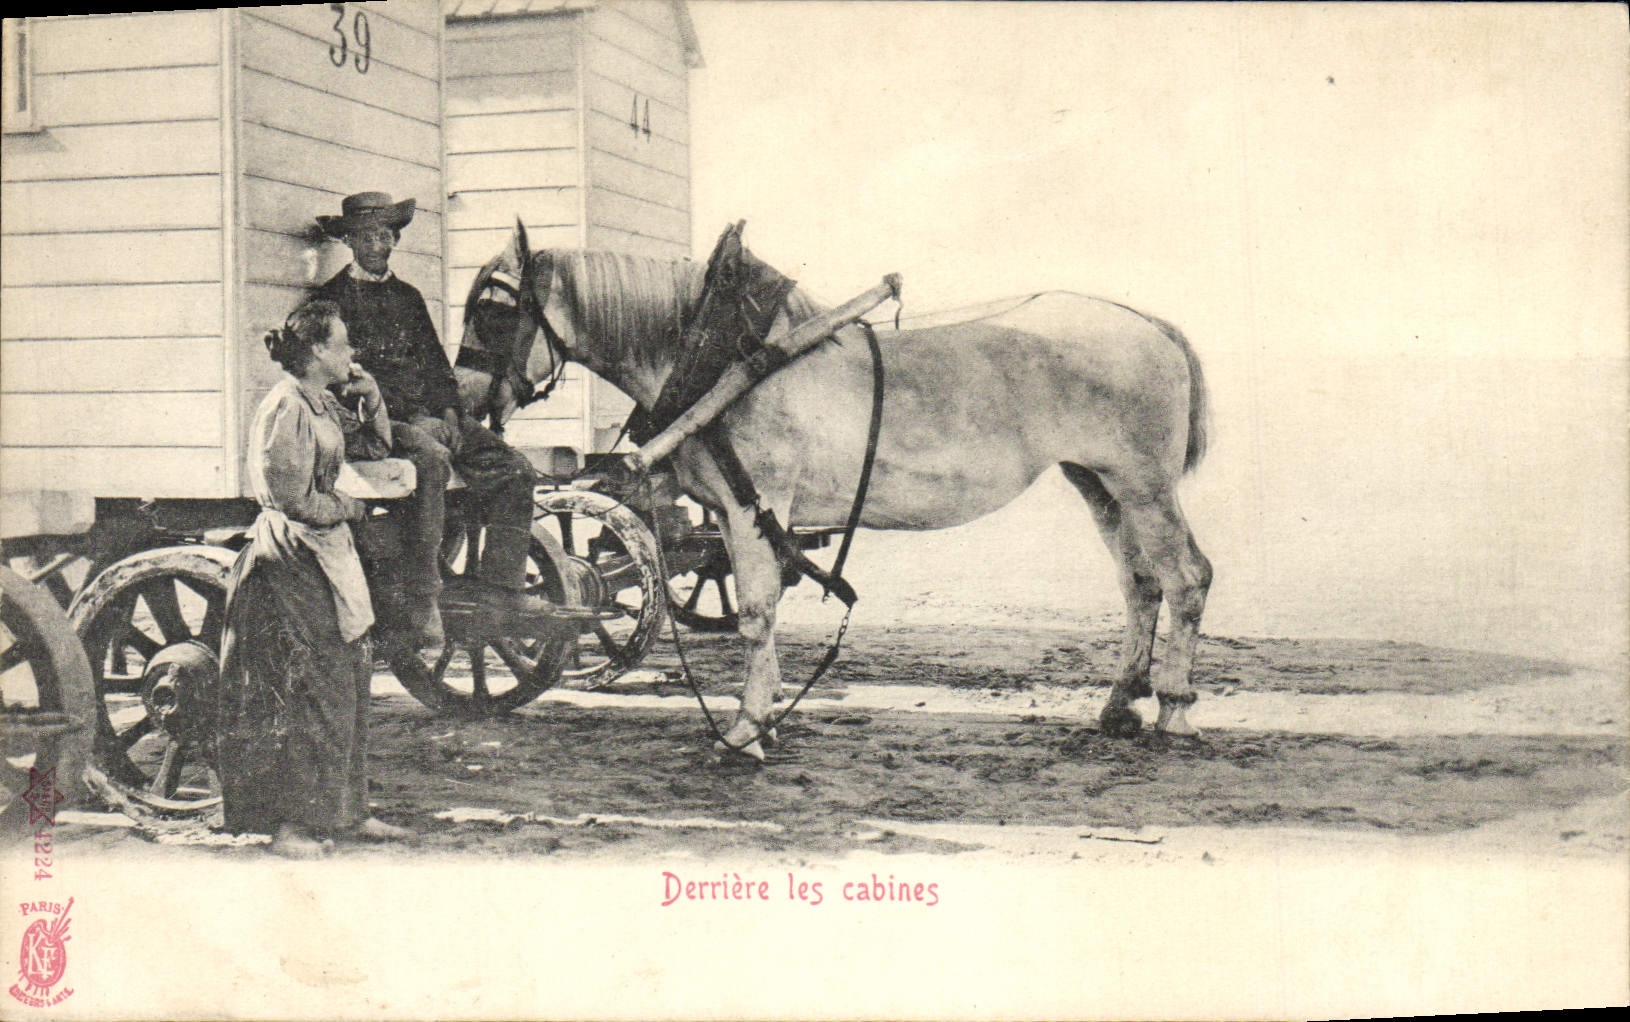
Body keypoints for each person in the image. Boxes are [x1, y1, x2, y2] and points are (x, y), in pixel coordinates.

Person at [311, 192, 567, 643]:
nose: (377, 244)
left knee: (514, 470)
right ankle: (424, 595)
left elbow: (434, 364)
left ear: (395, 239)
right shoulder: (333, 302)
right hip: (373, 422)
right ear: (350, 240)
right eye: (367, 236)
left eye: (385, 234)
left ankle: (501, 590)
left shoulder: (407, 297)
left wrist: (449, 410)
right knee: (431, 459)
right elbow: (342, 379)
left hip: (430, 413)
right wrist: (413, 420)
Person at [214, 299, 410, 859]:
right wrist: (349, 508)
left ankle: (347, 812)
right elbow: (291, 498)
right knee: (306, 689)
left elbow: (372, 447)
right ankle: (292, 827)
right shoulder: (285, 407)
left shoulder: (320, 402)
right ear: (318, 350)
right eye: (343, 343)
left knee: (348, 677)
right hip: (290, 559)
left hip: (327, 554)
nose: (350, 352)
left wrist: (372, 398)